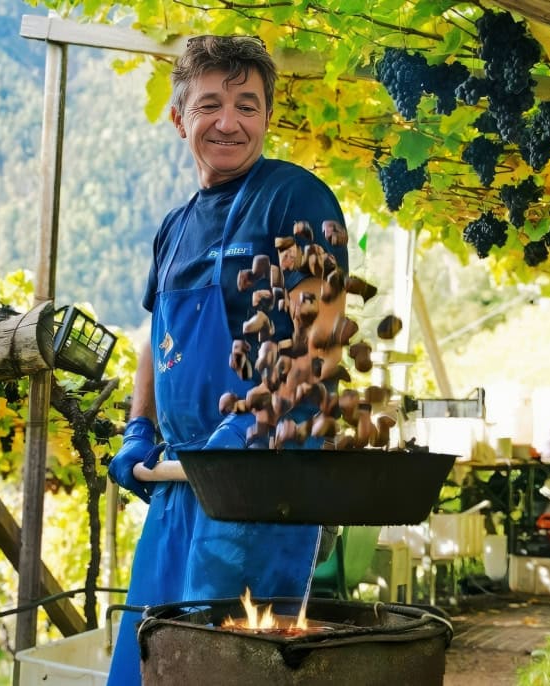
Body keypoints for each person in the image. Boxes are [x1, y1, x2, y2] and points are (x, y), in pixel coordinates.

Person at [105, 35, 349, 685]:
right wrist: (139, 430)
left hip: (257, 485)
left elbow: (319, 339)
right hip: (180, 484)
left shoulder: (294, 199)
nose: (229, 122)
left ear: (267, 118)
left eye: (248, 105)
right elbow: (156, 341)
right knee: (147, 663)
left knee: (221, 668)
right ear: (179, 116)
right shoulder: (173, 226)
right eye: (211, 103)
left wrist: (248, 431)